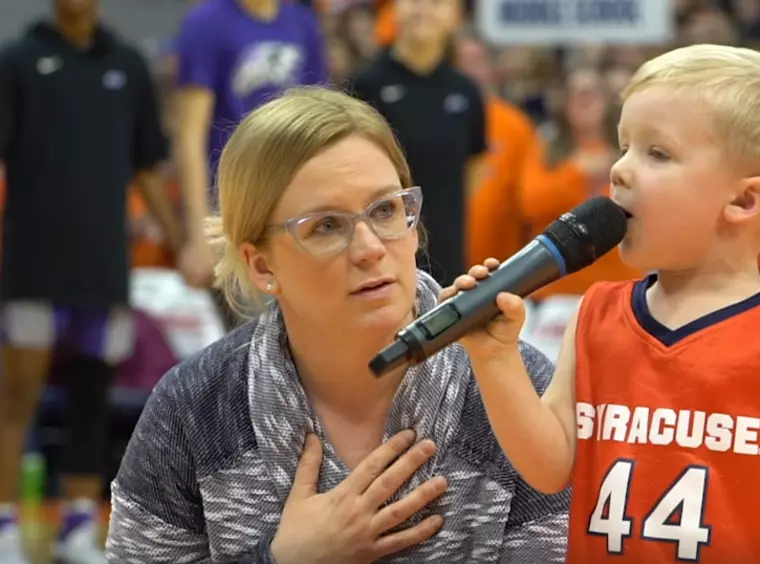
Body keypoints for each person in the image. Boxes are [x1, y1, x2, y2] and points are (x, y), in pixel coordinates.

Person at [105, 87, 569, 563]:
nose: (369, 247)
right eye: (326, 225)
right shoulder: (194, 409)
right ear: (262, 266)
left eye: (386, 209)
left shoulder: (522, 394)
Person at [444, 44, 760, 563]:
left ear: (745, 200)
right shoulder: (595, 313)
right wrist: (495, 357)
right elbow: (549, 468)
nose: (619, 170)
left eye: (656, 153)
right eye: (624, 146)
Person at [0, 1, 178, 562]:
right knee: (16, 398)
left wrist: (182, 240)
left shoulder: (127, 64)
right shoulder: (17, 59)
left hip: (103, 264)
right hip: (32, 261)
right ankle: (6, 519)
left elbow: (148, 163)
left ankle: (79, 521)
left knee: (91, 399)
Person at [173, 0, 328, 318]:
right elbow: (189, 135)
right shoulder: (206, 22)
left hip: (294, 201)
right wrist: (199, 231)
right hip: (235, 205)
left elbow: (319, 120)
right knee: (249, 335)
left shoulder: (302, 22)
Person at [349, 0, 486, 285]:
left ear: (455, 16)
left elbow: (475, 167)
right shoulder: (365, 85)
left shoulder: (466, 91)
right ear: (395, 9)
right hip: (382, 247)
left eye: (436, 2)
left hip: (449, 251)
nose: (423, 8)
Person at [519, 66, 640, 299]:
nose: (586, 100)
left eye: (593, 92)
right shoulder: (546, 148)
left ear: (607, 100)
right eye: (577, 93)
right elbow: (530, 203)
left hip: (621, 286)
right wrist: (577, 172)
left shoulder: (628, 149)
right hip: (555, 289)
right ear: (563, 103)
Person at [453, 28, 536, 265]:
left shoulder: (515, 125)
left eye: (475, 61)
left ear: (491, 68)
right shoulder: (434, 120)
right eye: (460, 62)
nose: (468, 70)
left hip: (501, 267)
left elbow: (529, 201)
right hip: (443, 262)